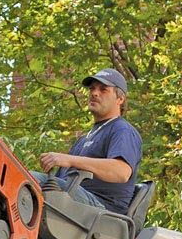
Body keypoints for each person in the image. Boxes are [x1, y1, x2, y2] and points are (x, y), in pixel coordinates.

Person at [35, 68, 142, 215]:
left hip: (101, 210)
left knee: (28, 180)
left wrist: (69, 159)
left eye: (103, 90)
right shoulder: (84, 139)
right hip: (73, 199)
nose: (94, 93)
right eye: (92, 89)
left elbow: (121, 171)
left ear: (120, 99)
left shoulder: (122, 130)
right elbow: (55, 181)